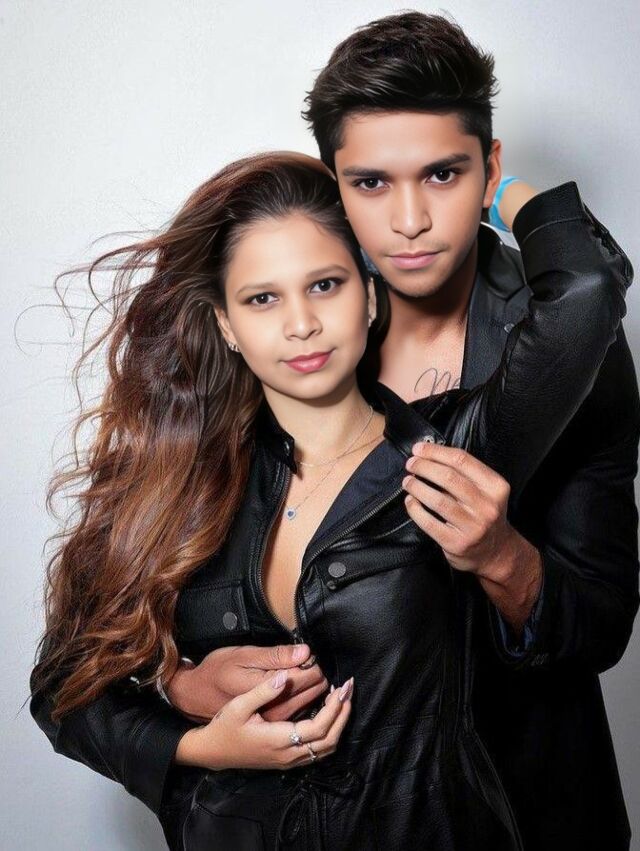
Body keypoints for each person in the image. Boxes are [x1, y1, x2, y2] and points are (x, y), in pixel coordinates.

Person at [30, 147, 631, 850]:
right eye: (262, 298)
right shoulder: (181, 482)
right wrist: (196, 737)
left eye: (324, 285)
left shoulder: (451, 454)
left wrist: (498, 192)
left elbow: (585, 291)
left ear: (369, 297)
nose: (301, 324)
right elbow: (65, 685)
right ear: (226, 324)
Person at [162, 13, 640, 850]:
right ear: (334, 185)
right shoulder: (299, 335)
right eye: (373, 183)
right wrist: (180, 681)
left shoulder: (569, 350)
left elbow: (600, 625)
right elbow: (191, 574)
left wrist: (503, 559)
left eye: (444, 174)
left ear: (488, 167)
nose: (410, 219)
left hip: (526, 800)